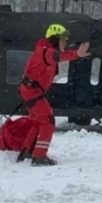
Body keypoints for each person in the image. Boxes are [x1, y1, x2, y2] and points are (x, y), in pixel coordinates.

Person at [19, 24, 90, 166]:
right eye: (63, 40)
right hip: (32, 91)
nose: (66, 43)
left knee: (37, 121)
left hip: (32, 90)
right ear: (54, 39)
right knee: (48, 121)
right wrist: (76, 54)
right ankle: (39, 156)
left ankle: (28, 151)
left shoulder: (44, 50)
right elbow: (57, 57)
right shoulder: (45, 51)